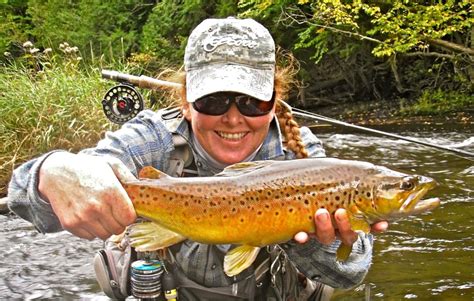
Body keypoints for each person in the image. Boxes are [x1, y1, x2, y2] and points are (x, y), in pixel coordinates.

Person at [8, 17, 387, 300]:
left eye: (253, 101)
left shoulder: (302, 155)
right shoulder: (153, 137)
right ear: (187, 102)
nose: (234, 117)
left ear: (275, 101)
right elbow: (25, 195)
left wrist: (311, 240)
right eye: (214, 100)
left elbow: (351, 271)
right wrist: (54, 171)